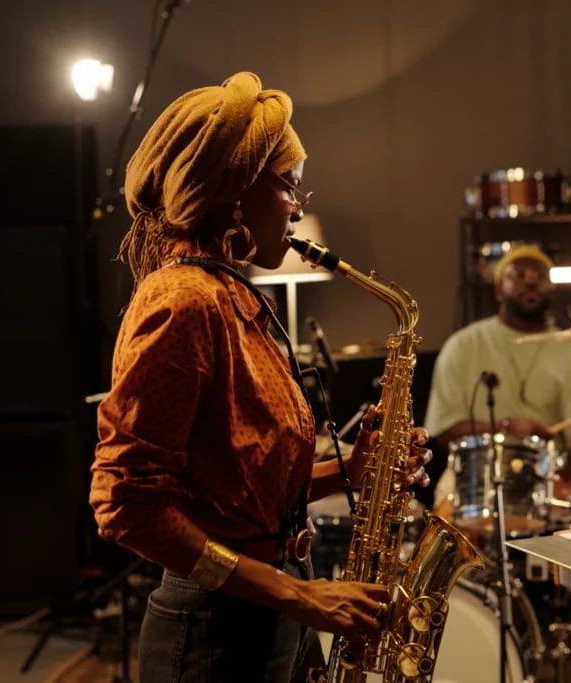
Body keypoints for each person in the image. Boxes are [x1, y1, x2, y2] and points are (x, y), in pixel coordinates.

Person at [89, 72, 432, 683]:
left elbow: (234, 495)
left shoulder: (232, 296)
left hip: (270, 609)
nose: (299, 208)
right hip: (217, 632)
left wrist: (352, 473)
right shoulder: (183, 302)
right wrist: (297, 595)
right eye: (290, 186)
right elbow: (126, 505)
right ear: (236, 190)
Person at [424, 244, 571, 509]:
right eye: (518, 274)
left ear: (552, 288)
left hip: (545, 484)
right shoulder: (463, 345)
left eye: (540, 275)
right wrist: (507, 428)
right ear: (498, 290)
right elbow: (444, 430)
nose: (530, 281)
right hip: (471, 486)